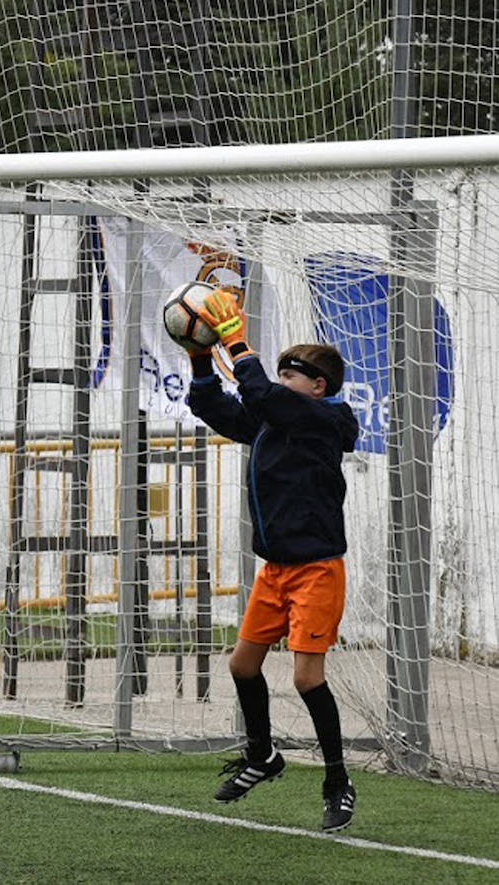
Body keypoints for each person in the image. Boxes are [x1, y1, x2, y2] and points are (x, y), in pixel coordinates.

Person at [184, 288, 361, 833]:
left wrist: (236, 342)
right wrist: (198, 352)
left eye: (293, 376)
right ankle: (262, 756)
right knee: (241, 665)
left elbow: (265, 396)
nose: (283, 383)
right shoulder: (274, 418)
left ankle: (337, 781)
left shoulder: (325, 421)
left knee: (308, 679)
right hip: (275, 571)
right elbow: (215, 406)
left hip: (316, 571)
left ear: (318, 387)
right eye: (281, 374)